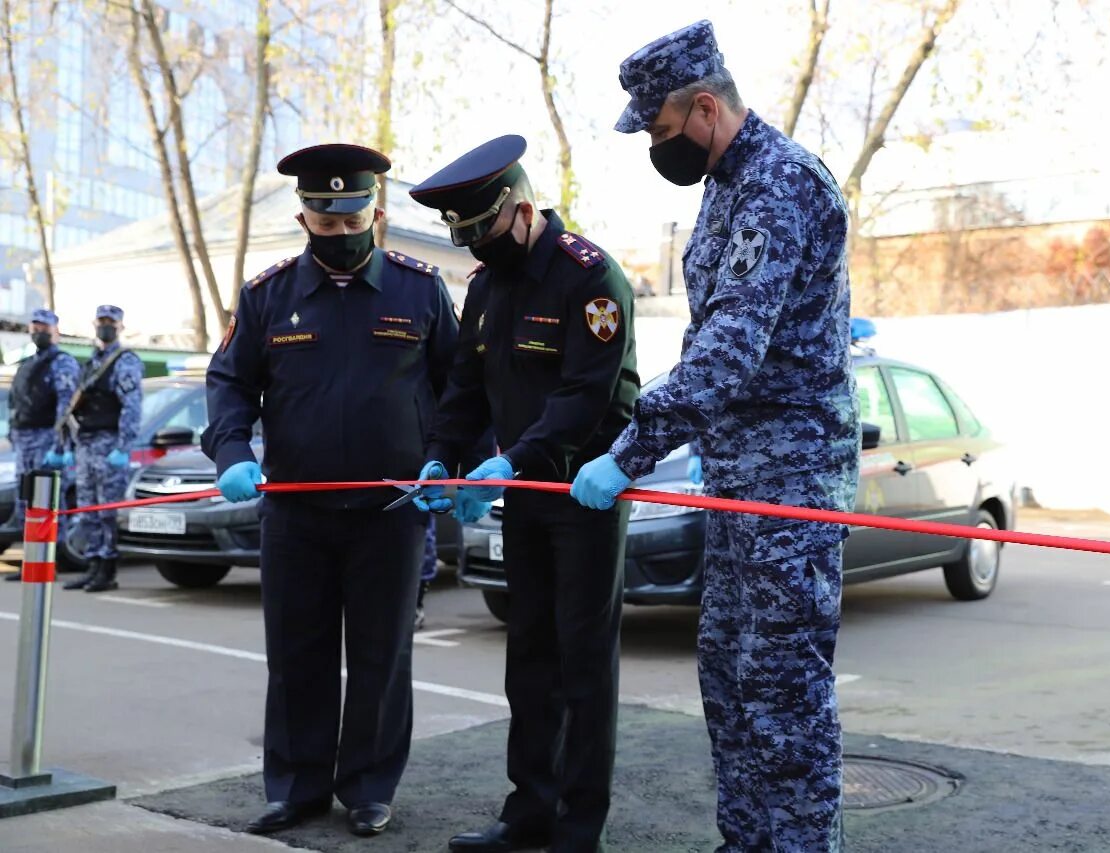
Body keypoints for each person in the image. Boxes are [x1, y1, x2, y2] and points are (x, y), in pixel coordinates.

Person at [569, 20, 860, 852]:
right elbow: (707, 343)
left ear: (704, 108)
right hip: (737, 480)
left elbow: (728, 351)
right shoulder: (727, 187)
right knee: (730, 683)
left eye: (660, 128)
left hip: (790, 489)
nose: (657, 146)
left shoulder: (779, 184)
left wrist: (629, 452)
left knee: (782, 697)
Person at [201, 143, 461, 838]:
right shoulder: (268, 295)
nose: (342, 238)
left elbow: (457, 388)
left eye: (353, 224)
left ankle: (370, 788)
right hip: (295, 510)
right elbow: (229, 382)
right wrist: (230, 449)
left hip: (391, 511)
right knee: (297, 655)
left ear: (375, 213)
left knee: (381, 656)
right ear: (304, 217)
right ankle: (296, 787)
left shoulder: (420, 289)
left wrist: (447, 461)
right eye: (327, 225)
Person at [409, 135, 639, 853]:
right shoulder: (486, 286)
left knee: (581, 661)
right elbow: (466, 387)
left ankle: (579, 825)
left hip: (584, 493)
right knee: (528, 653)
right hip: (522, 493)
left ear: (523, 209)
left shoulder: (590, 277)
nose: (477, 248)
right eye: (464, 236)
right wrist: (443, 458)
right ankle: (528, 809)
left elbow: (586, 395)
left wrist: (517, 458)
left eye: (483, 230)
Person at [62, 305, 143, 594]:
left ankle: (107, 569)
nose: (105, 327)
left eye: (111, 322)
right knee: (87, 508)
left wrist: (124, 446)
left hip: (109, 444)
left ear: (120, 326)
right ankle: (93, 564)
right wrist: (69, 444)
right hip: (86, 444)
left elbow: (131, 407)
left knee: (107, 509)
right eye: (101, 321)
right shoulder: (92, 362)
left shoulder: (125, 361)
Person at [0, 308, 78, 581]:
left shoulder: (62, 363)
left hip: (46, 439)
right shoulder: (27, 363)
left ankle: (50, 562)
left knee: (47, 503)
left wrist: (59, 446)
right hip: (24, 442)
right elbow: (15, 403)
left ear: (55, 330)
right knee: (27, 504)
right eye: (34, 327)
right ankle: (30, 560)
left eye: (44, 327)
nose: (38, 332)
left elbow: (65, 406)